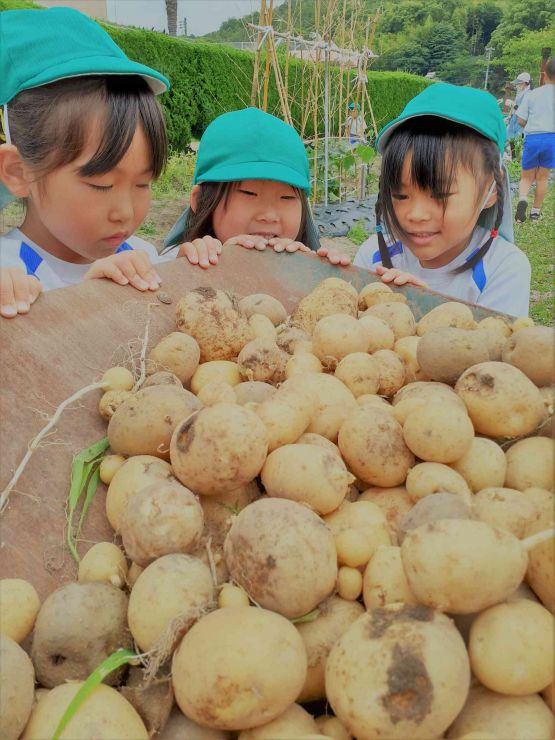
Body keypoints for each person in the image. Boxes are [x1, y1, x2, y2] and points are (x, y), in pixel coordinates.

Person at [0, 6, 172, 318]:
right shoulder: (8, 278)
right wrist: (86, 306)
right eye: (102, 185)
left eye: (143, 183)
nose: (126, 213)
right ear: (19, 171)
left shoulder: (143, 257)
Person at [353, 83, 531, 317]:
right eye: (400, 195)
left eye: (440, 195)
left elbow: (494, 348)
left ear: (491, 191)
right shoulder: (374, 254)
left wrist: (424, 309)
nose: (416, 214)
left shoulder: (503, 267)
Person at [162, 107, 350, 268]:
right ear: (199, 199)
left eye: (286, 198)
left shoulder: (309, 264)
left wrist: (319, 274)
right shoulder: (182, 259)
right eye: (249, 194)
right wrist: (188, 270)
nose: (269, 216)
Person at [515, 58, 555, 223]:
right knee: (543, 177)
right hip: (552, 138)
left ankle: (523, 198)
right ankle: (535, 212)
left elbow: (520, 121)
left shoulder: (533, 94)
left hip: (533, 137)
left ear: (544, 74)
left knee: (526, 177)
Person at [505, 72, 531, 159]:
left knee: (516, 144)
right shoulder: (520, 93)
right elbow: (515, 108)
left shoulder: (528, 95)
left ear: (524, 83)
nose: (516, 86)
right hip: (513, 121)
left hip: (520, 124)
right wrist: (509, 116)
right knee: (510, 140)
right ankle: (513, 160)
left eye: (518, 84)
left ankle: (515, 162)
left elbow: (523, 111)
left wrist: (512, 104)